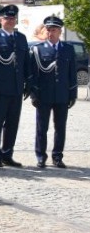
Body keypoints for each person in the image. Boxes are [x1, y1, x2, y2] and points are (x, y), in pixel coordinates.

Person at [0, 4, 29, 167]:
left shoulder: (21, 38)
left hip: (17, 88)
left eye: (12, 18)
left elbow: (26, 63)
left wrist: (28, 83)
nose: (10, 21)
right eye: (7, 18)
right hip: (0, 88)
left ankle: (7, 154)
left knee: (12, 122)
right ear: (0, 19)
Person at [29, 15, 77, 169]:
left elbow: (72, 74)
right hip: (44, 95)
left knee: (60, 127)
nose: (50, 33)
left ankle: (57, 157)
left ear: (60, 31)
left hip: (62, 95)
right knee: (42, 128)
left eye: (54, 30)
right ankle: (41, 156)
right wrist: (34, 94)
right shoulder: (38, 49)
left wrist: (73, 94)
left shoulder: (68, 49)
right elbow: (33, 74)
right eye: (48, 30)